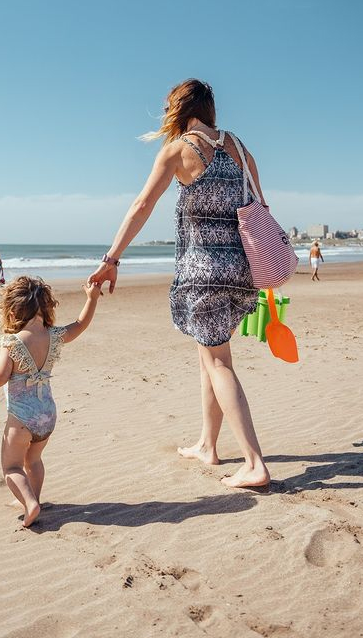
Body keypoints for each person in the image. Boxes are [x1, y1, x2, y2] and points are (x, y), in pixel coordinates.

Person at [88, 78, 270, 491]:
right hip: (241, 270)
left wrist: (111, 259)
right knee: (211, 356)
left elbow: (142, 206)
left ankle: (255, 463)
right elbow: (261, 206)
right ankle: (208, 444)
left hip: (202, 272)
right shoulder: (240, 149)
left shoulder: (178, 150)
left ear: (180, 110)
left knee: (218, 361)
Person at [0, 276, 102, 527]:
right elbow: (80, 324)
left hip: (22, 419)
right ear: (45, 307)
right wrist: (91, 298)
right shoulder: (53, 336)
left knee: (11, 467)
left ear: (13, 309)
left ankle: (30, 503)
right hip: (47, 415)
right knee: (33, 460)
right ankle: (32, 497)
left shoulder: (12, 342)